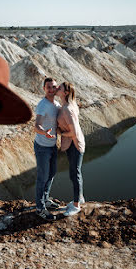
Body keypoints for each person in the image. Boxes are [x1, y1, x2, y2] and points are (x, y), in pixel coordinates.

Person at [33, 77, 61, 220]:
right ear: (44, 89)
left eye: (54, 87)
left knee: (51, 174)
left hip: (52, 146)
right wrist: (45, 133)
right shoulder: (42, 105)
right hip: (43, 147)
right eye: (49, 87)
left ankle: (45, 199)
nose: (51, 90)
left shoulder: (56, 104)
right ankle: (40, 208)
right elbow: (36, 126)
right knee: (42, 177)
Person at [56, 82, 85, 216]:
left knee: (75, 174)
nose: (57, 89)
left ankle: (76, 205)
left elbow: (73, 132)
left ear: (65, 93)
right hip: (72, 143)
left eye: (60, 88)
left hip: (74, 143)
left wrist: (60, 133)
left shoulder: (67, 109)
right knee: (75, 172)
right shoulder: (66, 105)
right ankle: (79, 198)